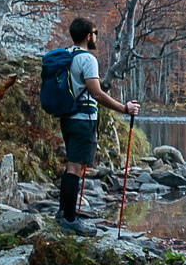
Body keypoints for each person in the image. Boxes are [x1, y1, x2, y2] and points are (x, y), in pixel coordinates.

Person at [54, 17, 139, 234]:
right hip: (83, 119)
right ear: (88, 35)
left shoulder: (66, 55)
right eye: (95, 32)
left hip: (68, 117)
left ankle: (64, 212)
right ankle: (70, 221)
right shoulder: (87, 59)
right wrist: (124, 108)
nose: (97, 36)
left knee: (72, 165)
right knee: (76, 167)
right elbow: (97, 93)